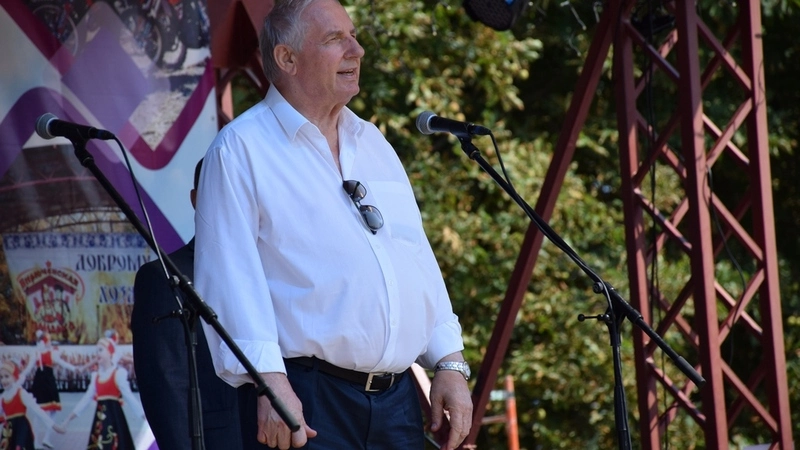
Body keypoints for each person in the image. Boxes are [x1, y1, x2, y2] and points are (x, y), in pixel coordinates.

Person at [193, 0, 473, 449]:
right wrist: (270, 385)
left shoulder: (373, 142)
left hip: (397, 402)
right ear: (287, 58)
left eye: (354, 36)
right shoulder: (241, 149)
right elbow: (230, 281)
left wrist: (450, 362)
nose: (356, 50)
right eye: (334, 39)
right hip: (308, 400)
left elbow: (415, 257)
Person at [132, 158, 246, 449]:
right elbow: (166, 386)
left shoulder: (279, 273)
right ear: (196, 199)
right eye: (222, 191)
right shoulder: (163, 277)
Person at [56, 336, 144, 450]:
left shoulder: (118, 374)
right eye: (96, 351)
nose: (97, 353)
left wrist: (144, 416)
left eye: (101, 350)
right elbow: (85, 400)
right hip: (100, 423)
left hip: (115, 421)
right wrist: (68, 419)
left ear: (110, 352)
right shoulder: (96, 377)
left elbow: (130, 398)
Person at [0, 359, 65, 449]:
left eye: (7, 376)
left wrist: (54, 426)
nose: (3, 380)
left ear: (14, 377)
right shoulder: (2, 397)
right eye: (1, 377)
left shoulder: (21, 393)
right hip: (8, 430)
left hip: (21, 429)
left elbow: (37, 410)